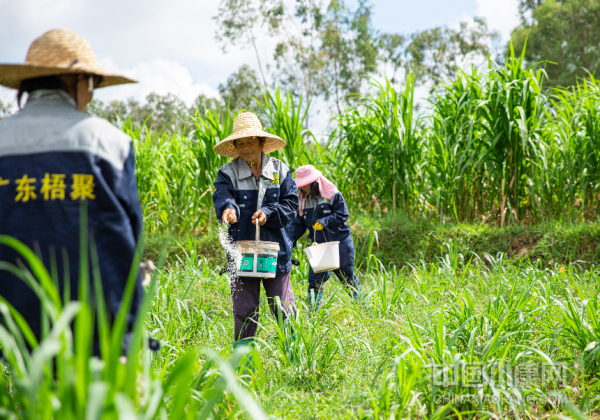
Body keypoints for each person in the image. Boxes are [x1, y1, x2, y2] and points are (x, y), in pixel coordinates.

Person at [0, 29, 144, 354]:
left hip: (9, 332)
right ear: (77, 81)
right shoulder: (110, 143)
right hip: (95, 331)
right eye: (91, 87)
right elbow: (131, 239)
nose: (90, 97)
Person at [212, 112, 299, 349]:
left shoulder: (279, 170)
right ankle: (244, 365)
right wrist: (228, 209)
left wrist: (269, 213)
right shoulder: (227, 173)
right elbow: (222, 195)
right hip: (242, 254)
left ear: (261, 142)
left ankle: (296, 361)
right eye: (240, 143)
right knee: (244, 312)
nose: (246, 146)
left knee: (285, 309)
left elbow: (291, 205)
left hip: (275, 252)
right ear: (235, 146)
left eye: (250, 140)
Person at [289, 165, 362, 308]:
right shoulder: (303, 199)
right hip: (320, 246)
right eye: (301, 186)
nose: (303, 189)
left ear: (315, 183)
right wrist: (292, 238)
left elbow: (343, 214)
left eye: (306, 185)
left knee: (347, 277)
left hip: (340, 242)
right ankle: (314, 314)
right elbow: (299, 224)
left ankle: (362, 308)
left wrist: (324, 221)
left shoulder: (332, 194)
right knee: (314, 281)